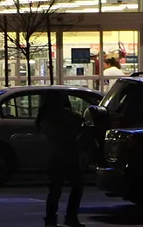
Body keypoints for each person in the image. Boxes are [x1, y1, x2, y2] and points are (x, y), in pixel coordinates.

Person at [36, 91, 88, 227]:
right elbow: (78, 125)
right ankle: (70, 217)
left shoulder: (45, 117)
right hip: (68, 154)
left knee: (55, 188)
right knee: (76, 185)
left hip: (55, 155)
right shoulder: (65, 115)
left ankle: (51, 219)